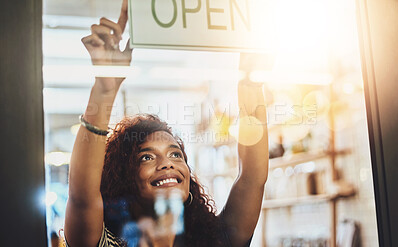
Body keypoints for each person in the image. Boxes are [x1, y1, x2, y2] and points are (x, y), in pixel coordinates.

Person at [64, 0, 269, 246]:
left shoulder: (214, 239)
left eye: (175, 154)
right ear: (123, 177)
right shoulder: (107, 242)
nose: (167, 165)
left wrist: (251, 82)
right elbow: (81, 197)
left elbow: (251, 177)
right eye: (147, 157)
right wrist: (104, 92)